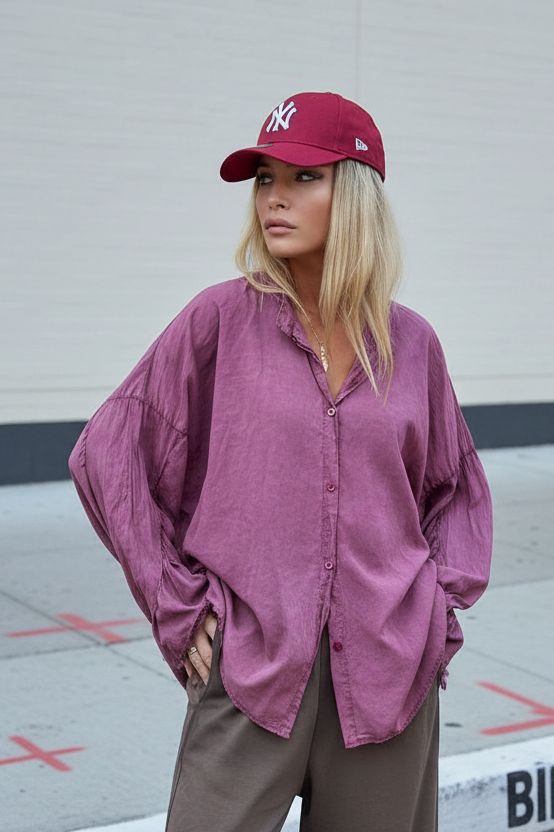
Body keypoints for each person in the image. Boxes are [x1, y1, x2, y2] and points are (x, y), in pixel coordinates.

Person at [68, 90, 494, 831]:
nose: (274, 198)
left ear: (354, 193)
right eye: (266, 178)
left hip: (387, 678)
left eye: (303, 177)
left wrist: (436, 612)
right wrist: (176, 601)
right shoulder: (218, 321)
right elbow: (109, 455)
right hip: (251, 671)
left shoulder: (413, 344)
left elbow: (454, 489)